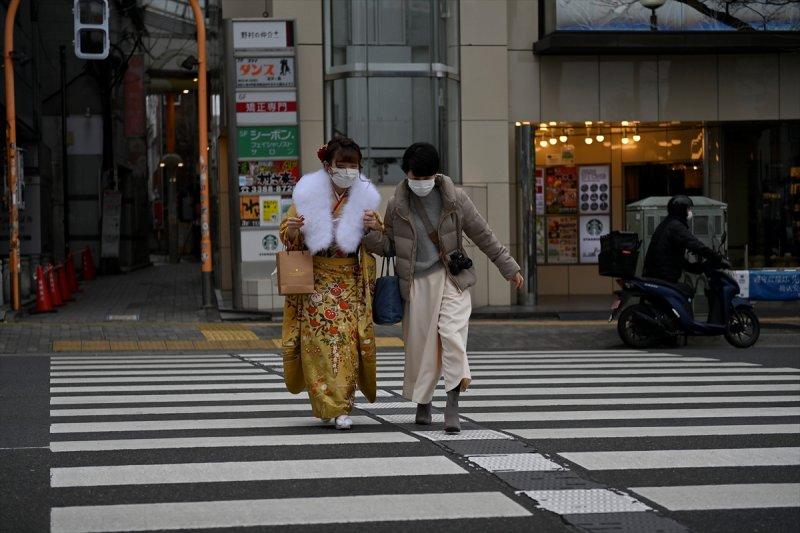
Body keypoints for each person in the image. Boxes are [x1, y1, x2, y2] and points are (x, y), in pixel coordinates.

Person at [363, 142, 523, 433]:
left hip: (452, 278)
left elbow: (482, 233)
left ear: (436, 173)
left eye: (426, 177)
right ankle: (423, 402)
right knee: (421, 348)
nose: (420, 183)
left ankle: (452, 404)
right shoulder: (397, 204)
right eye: (415, 177)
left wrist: (508, 266)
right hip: (415, 283)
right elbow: (388, 246)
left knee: (452, 337)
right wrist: (368, 233)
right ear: (406, 174)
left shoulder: (455, 199)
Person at [279, 137, 381, 430]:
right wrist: (295, 229)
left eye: (354, 165)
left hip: (350, 280)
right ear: (328, 166)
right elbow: (287, 235)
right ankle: (326, 403)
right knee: (319, 345)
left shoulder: (365, 200)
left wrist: (374, 228)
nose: (348, 170)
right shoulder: (308, 196)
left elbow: (379, 242)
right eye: (342, 164)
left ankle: (341, 405)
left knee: (347, 344)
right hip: (316, 280)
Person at [642, 195, 721, 286]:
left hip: (657, 276)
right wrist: (716, 257)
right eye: (688, 209)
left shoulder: (668, 223)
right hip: (664, 277)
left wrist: (697, 268)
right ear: (681, 210)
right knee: (686, 294)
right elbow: (694, 244)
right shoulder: (676, 226)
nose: (690, 212)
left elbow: (676, 258)